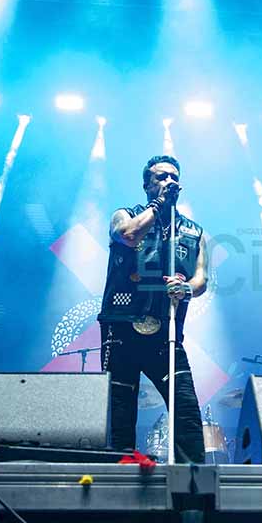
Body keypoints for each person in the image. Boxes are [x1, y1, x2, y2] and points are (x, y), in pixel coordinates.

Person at [99, 154, 208, 462]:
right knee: (119, 409)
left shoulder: (195, 232)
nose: (169, 181)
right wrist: (158, 206)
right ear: (147, 185)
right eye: (161, 177)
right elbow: (129, 235)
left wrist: (187, 289)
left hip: (166, 333)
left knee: (185, 407)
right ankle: (120, 475)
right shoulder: (125, 215)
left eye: (174, 177)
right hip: (122, 328)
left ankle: (192, 480)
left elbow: (202, 278)